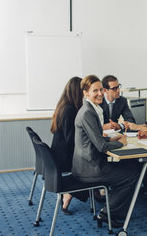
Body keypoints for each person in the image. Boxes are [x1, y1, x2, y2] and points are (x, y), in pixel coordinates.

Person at [72, 75, 140, 228]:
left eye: (100, 90)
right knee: (132, 175)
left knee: (133, 167)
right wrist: (121, 143)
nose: (99, 93)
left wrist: (113, 140)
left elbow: (96, 139)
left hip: (88, 163)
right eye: (94, 91)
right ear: (85, 93)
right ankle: (108, 212)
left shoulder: (91, 109)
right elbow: (101, 147)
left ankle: (113, 209)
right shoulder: (88, 112)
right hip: (90, 168)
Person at [50, 76, 85, 215]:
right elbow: (71, 140)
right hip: (64, 157)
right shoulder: (70, 110)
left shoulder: (63, 106)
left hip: (58, 154)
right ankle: (69, 195)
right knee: (89, 164)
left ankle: (96, 193)